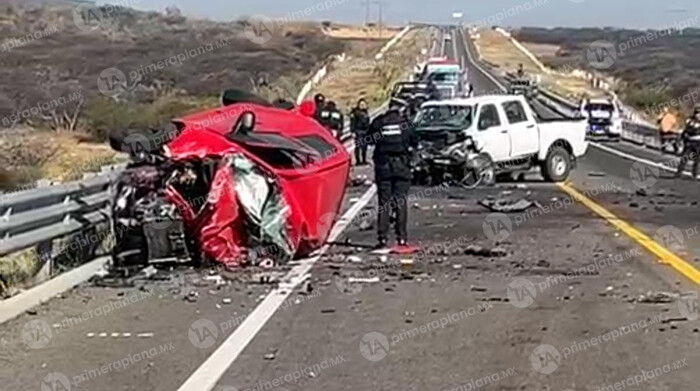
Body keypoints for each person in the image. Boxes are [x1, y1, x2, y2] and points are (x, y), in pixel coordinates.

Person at [368, 99, 418, 248]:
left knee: (384, 203)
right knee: (400, 202)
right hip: (401, 165)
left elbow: (369, 140)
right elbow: (414, 141)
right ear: (401, 109)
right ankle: (401, 237)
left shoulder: (379, 122)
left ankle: (382, 238)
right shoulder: (405, 123)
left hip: (383, 166)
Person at [675, 106, 700, 179]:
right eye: (696, 113)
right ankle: (678, 173)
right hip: (689, 142)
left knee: (696, 160)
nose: (697, 115)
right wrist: (682, 138)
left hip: (698, 143)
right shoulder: (690, 120)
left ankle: (694, 174)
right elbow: (686, 130)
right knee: (684, 158)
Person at [350, 98, 371, 165]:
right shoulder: (355, 113)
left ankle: (364, 159)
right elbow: (352, 123)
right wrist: (353, 131)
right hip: (358, 131)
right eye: (361, 104)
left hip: (366, 131)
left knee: (365, 146)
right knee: (358, 146)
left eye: (363, 104)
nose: (362, 105)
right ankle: (358, 161)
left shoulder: (366, 112)